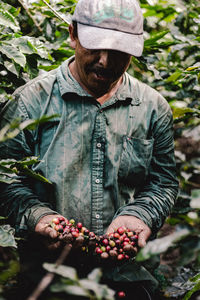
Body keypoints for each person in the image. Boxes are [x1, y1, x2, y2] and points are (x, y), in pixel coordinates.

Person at [0, 0, 179, 299]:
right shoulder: (29, 103)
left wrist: (140, 215)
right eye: (95, 47)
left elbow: (162, 182)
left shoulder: (152, 108)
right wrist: (38, 216)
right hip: (48, 279)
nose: (106, 61)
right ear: (73, 34)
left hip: (128, 277)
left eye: (119, 51)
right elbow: (6, 181)